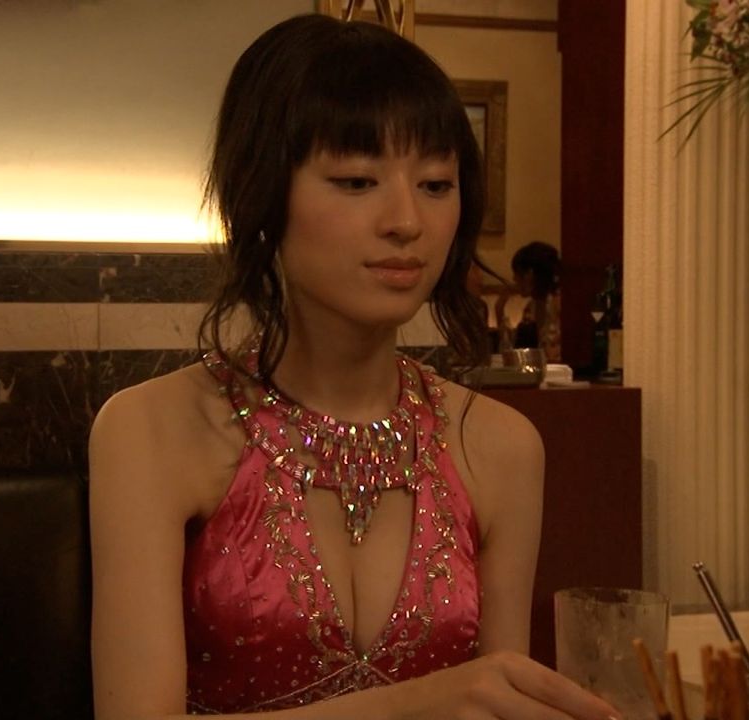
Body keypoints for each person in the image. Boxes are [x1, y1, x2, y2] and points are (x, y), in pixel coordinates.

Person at [88, 14, 618, 720]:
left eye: (436, 184)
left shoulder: (499, 445)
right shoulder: (151, 430)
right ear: (264, 195)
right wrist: (419, 704)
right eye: (357, 180)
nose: (406, 220)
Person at [495, 241, 562, 363]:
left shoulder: (558, 305)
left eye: (516, 273)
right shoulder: (531, 308)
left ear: (529, 275)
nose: (514, 279)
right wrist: (499, 309)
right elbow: (514, 353)